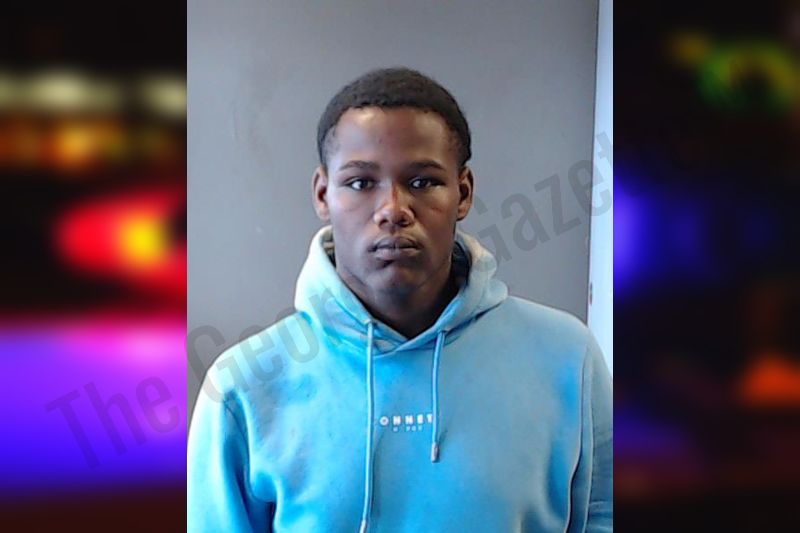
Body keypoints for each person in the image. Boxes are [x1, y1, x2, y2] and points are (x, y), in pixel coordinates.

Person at [188, 67, 612, 532]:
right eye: (360, 183)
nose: (393, 209)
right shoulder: (243, 387)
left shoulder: (567, 358)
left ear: (464, 193)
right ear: (323, 194)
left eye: (423, 182)